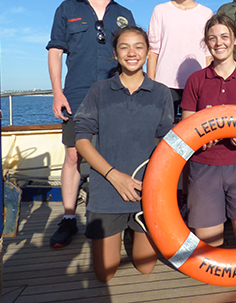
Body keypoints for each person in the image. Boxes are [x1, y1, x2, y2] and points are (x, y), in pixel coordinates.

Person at [46, 0, 135, 248]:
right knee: (73, 155)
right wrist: (57, 92)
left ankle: (120, 215)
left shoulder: (124, 15)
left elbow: (133, 55)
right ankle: (69, 217)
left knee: (116, 154)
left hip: (115, 94)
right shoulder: (67, 9)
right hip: (77, 94)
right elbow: (55, 51)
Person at [74, 26, 174, 282]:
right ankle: (119, 228)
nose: (132, 53)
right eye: (124, 47)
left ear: (148, 52)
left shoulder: (161, 93)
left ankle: (133, 229)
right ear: (115, 54)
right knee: (105, 273)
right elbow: (82, 140)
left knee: (145, 266)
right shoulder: (99, 90)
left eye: (139, 47)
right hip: (107, 190)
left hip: (145, 191)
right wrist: (114, 176)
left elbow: (168, 142)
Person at [180, 13, 236, 247]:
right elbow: (187, 128)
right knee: (210, 247)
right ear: (206, 42)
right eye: (212, 38)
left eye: (224, 36)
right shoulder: (196, 80)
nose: (219, 43)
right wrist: (202, 138)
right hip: (204, 167)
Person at [147, 0, 212, 119]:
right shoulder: (160, 10)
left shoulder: (206, 13)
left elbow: (209, 54)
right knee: (164, 130)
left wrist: (210, 85)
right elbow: (153, 51)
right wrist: (150, 84)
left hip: (197, 85)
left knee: (193, 130)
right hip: (164, 85)